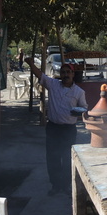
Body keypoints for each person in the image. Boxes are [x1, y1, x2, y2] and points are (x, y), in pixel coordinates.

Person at [24, 56, 87, 195]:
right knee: (52, 157)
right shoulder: (53, 85)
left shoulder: (79, 92)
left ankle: (66, 186)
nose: (65, 75)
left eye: (68, 72)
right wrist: (30, 63)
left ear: (73, 75)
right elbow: (40, 75)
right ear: (60, 74)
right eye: (63, 72)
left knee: (67, 158)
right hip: (53, 128)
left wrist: (79, 112)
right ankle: (55, 186)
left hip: (68, 130)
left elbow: (84, 108)